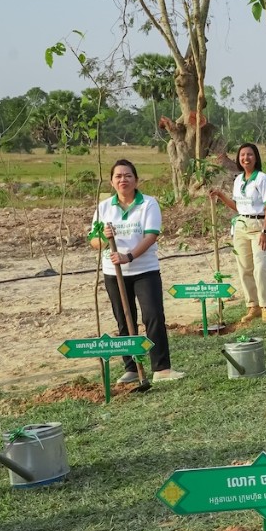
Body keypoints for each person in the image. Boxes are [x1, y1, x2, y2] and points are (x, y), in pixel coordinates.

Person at [90, 159, 184, 383]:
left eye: (128, 175)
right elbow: (93, 240)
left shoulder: (148, 204)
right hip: (114, 274)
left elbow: (151, 236)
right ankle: (131, 367)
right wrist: (105, 238)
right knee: (124, 319)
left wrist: (128, 256)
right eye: (118, 176)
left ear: (136, 180)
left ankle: (161, 368)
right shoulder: (103, 207)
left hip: (145, 270)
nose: (123, 180)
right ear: (112, 182)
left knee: (153, 316)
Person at [209, 143, 266, 322]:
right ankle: (252, 306)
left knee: (261, 267)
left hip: (260, 225)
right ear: (238, 159)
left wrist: (264, 231)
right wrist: (220, 195)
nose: (245, 158)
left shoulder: (262, 178)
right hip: (241, 225)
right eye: (242, 155)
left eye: (249, 155)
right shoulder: (238, 179)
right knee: (245, 268)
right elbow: (237, 206)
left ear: (256, 158)